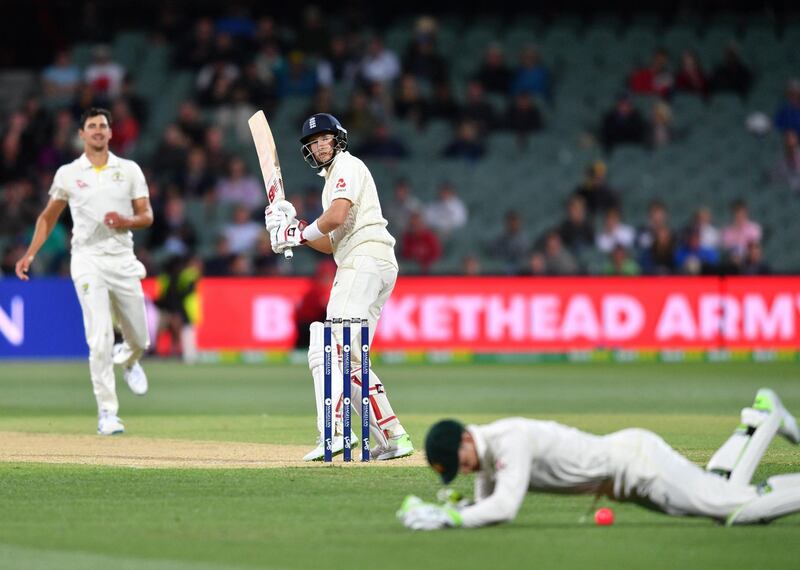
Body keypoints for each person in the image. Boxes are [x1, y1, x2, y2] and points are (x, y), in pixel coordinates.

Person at [397, 388, 800, 530]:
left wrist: (453, 518)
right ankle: (761, 419)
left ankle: (764, 420)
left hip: (637, 465)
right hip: (629, 469)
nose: (464, 471)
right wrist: (459, 508)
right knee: (722, 493)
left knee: (738, 511)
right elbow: (485, 505)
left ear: (467, 437)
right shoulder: (487, 454)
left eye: (459, 462)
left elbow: (504, 508)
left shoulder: (510, 440)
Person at [265, 113, 414, 462]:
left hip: (363, 260)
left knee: (337, 347)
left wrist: (296, 233)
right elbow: (331, 241)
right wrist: (294, 230)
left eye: (325, 139)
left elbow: (335, 216)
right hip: (366, 262)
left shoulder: (348, 165)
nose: (319, 146)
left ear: (338, 139)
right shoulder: (332, 179)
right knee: (337, 351)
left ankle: (335, 436)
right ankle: (391, 436)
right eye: (313, 143)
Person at [14, 107, 152, 436]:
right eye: (92, 126)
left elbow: (146, 215)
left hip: (122, 257)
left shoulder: (129, 169)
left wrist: (126, 222)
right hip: (87, 258)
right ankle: (108, 413)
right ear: (82, 134)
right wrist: (30, 254)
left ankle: (130, 359)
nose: (99, 131)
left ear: (110, 132)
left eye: (103, 126)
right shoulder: (68, 173)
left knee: (141, 339)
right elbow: (48, 216)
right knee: (100, 337)